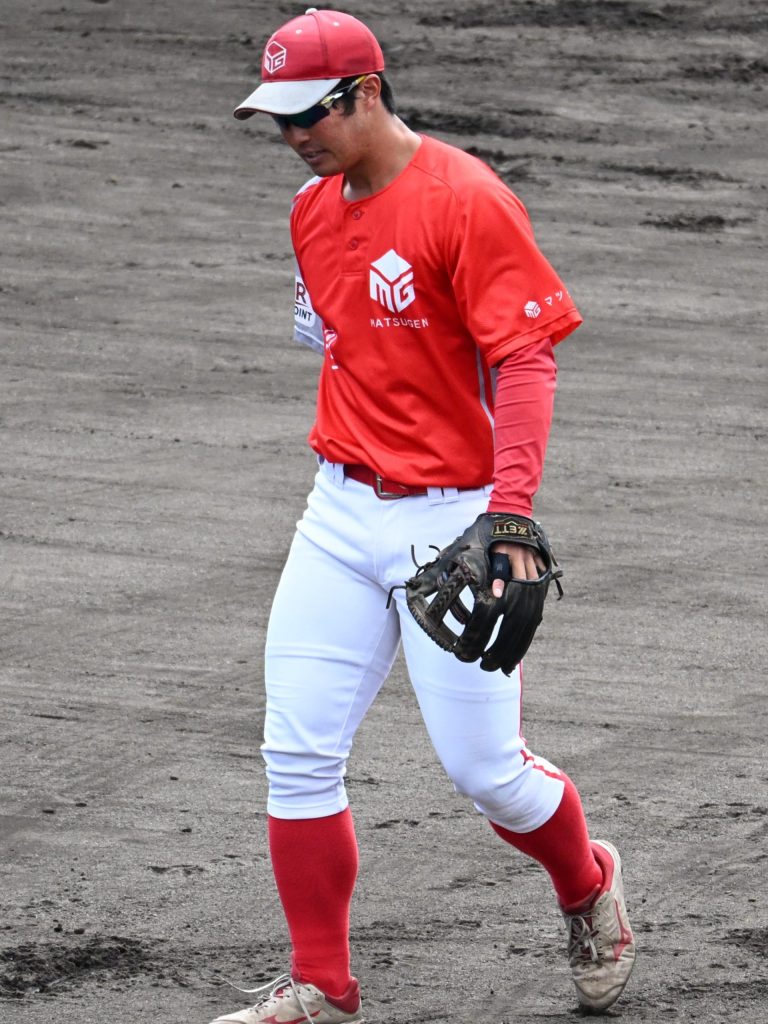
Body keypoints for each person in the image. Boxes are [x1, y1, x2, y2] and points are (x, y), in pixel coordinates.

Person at [211, 8, 636, 1023]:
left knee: (487, 773)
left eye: (308, 115)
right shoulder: (310, 212)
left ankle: (587, 884)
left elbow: (525, 362)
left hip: (454, 522)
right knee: (297, 752)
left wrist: (509, 518)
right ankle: (323, 984)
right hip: (337, 512)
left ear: (365, 92)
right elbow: (340, 342)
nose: (292, 137)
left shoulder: (466, 199)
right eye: (276, 120)